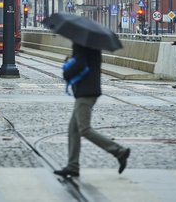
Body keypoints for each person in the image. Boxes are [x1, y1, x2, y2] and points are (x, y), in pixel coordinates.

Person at [54, 43, 131, 178]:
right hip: (90, 89)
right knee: (73, 129)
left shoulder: (81, 43)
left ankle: (119, 151)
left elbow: (80, 64)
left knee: (84, 129)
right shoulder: (91, 43)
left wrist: (67, 71)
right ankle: (72, 166)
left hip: (86, 91)